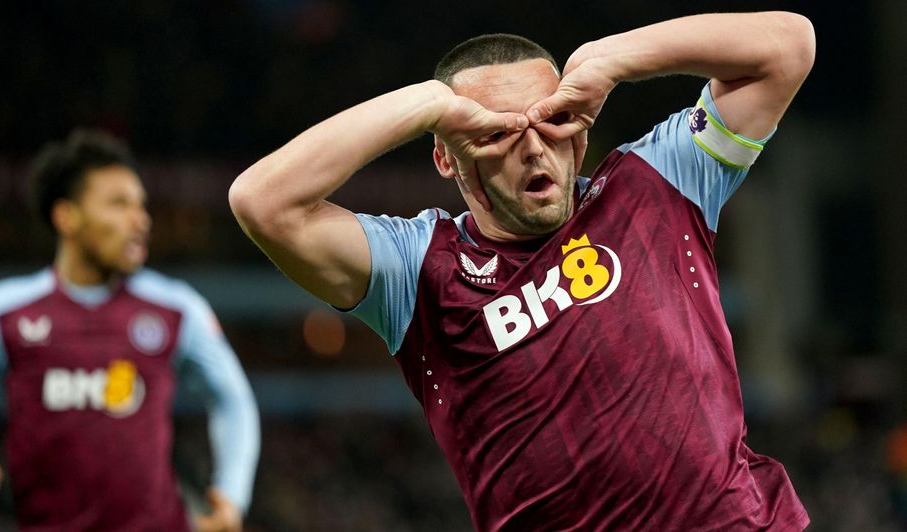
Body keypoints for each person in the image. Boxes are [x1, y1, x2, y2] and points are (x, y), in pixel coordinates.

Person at [229, 11, 814, 531]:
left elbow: (789, 46)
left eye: (552, 120)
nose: (534, 149)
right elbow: (262, 203)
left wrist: (612, 58)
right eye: (497, 133)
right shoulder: (416, 271)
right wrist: (428, 105)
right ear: (446, 157)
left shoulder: (658, 183)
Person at [0, 130, 260, 532]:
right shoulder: (5, 310)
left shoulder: (176, 308)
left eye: (141, 205)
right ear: (66, 216)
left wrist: (232, 493)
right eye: (119, 204)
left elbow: (232, 397)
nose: (141, 220)